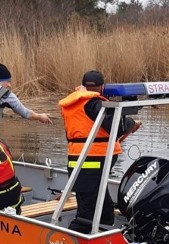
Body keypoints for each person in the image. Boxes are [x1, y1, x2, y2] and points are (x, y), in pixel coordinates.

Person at [58, 70, 140, 234]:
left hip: (77, 157)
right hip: (95, 158)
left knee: (98, 199)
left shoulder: (73, 103)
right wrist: (131, 122)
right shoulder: (94, 104)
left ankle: (105, 230)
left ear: (82, 86)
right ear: (102, 87)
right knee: (87, 210)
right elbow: (116, 126)